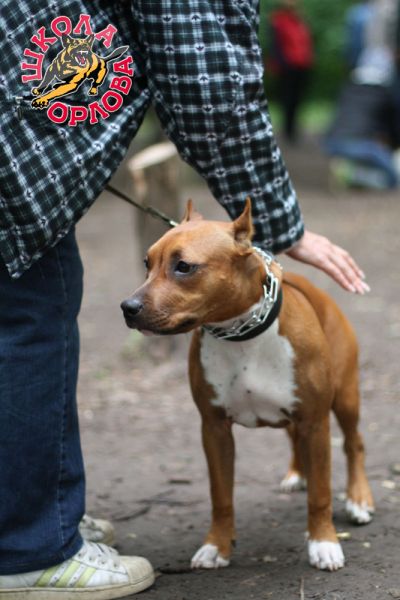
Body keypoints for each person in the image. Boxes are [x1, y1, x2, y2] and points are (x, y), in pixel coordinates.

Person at [0, 1, 369, 599]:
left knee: (36, 318)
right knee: (29, 325)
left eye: (182, 270)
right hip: (20, 148)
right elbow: (206, 83)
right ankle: (30, 541)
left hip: (20, 135)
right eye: (153, 268)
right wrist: (283, 219)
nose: (140, 297)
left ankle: (39, 518)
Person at [268, 0, 314, 142]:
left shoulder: (299, 20)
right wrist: (280, 64)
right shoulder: (278, 21)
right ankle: (288, 131)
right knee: (288, 98)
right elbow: (276, 45)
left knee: (297, 98)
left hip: (302, 64)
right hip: (288, 66)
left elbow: (306, 41)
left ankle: (293, 128)